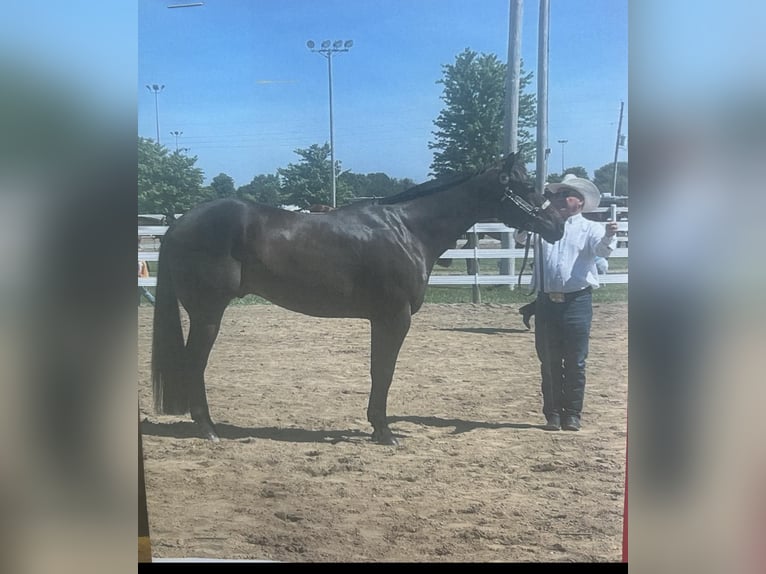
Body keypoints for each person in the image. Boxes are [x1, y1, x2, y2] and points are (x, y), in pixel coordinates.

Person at [514, 173, 618, 431]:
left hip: (577, 301)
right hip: (547, 301)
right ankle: (553, 414)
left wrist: (607, 236)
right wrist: (531, 218)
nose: (558, 199)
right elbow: (520, 239)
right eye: (556, 195)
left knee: (575, 360)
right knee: (549, 360)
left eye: (564, 195)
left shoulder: (591, 229)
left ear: (579, 202)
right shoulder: (544, 226)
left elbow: (602, 252)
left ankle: (572, 413)